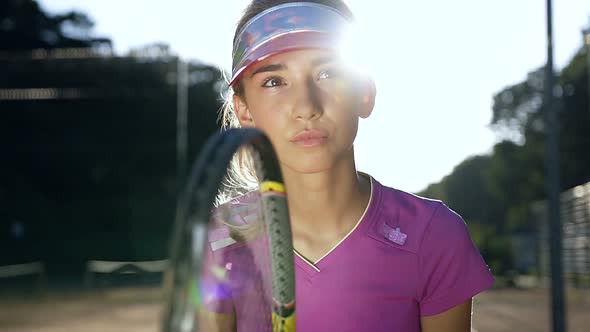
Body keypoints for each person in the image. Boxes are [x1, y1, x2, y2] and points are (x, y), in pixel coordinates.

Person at [200, 1, 495, 331]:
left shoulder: (434, 235)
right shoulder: (215, 240)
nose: (306, 107)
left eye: (329, 73)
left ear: (365, 93)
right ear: (244, 110)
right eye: (274, 81)